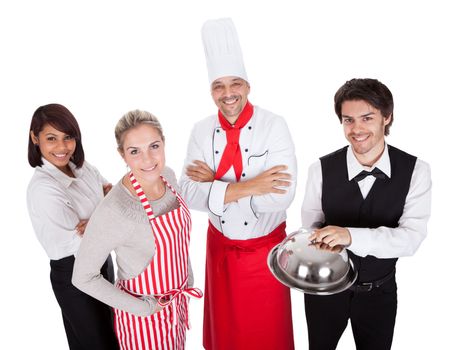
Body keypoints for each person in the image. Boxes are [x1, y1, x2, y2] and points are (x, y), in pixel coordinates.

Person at [179, 18, 296, 350]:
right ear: (211, 91)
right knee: (227, 337)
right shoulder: (200, 131)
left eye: (235, 84)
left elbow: (282, 196)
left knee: (267, 336)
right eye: (219, 86)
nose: (228, 94)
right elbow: (188, 193)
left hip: (266, 256)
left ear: (248, 86)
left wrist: (215, 185)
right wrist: (252, 185)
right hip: (220, 253)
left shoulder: (274, 126)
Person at [301, 78, 432, 350]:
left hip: (379, 292)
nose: (356, 129)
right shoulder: (320, 170)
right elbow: (311, 228)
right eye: (348, 120)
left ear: (387, 117)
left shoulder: (416, 171)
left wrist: (349, 236)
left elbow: (410, 239)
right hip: (325, 289)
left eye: (367, 118)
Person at [72, 110, 202, 350]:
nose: (148, 159)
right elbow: (82, 277)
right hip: (143, 325)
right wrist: (145, 308)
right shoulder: (116, 209)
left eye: (154, 146)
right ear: (123, 155)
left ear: (164, 143)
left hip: (177, 308)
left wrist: (187, 276)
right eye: (135, 151)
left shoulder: (169, 177)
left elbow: (177, 239)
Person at [26, 103, 118, 350]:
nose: (62, 147)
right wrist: (107, 214)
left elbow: (115, 196)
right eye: (51, 138)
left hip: (103, 263)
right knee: (95, 344)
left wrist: (100, 220)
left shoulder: (82, 167)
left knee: (113, 337)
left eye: (68, 137)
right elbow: (85, 239)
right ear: (35, 138)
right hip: (74, 274)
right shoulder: (44, 189)